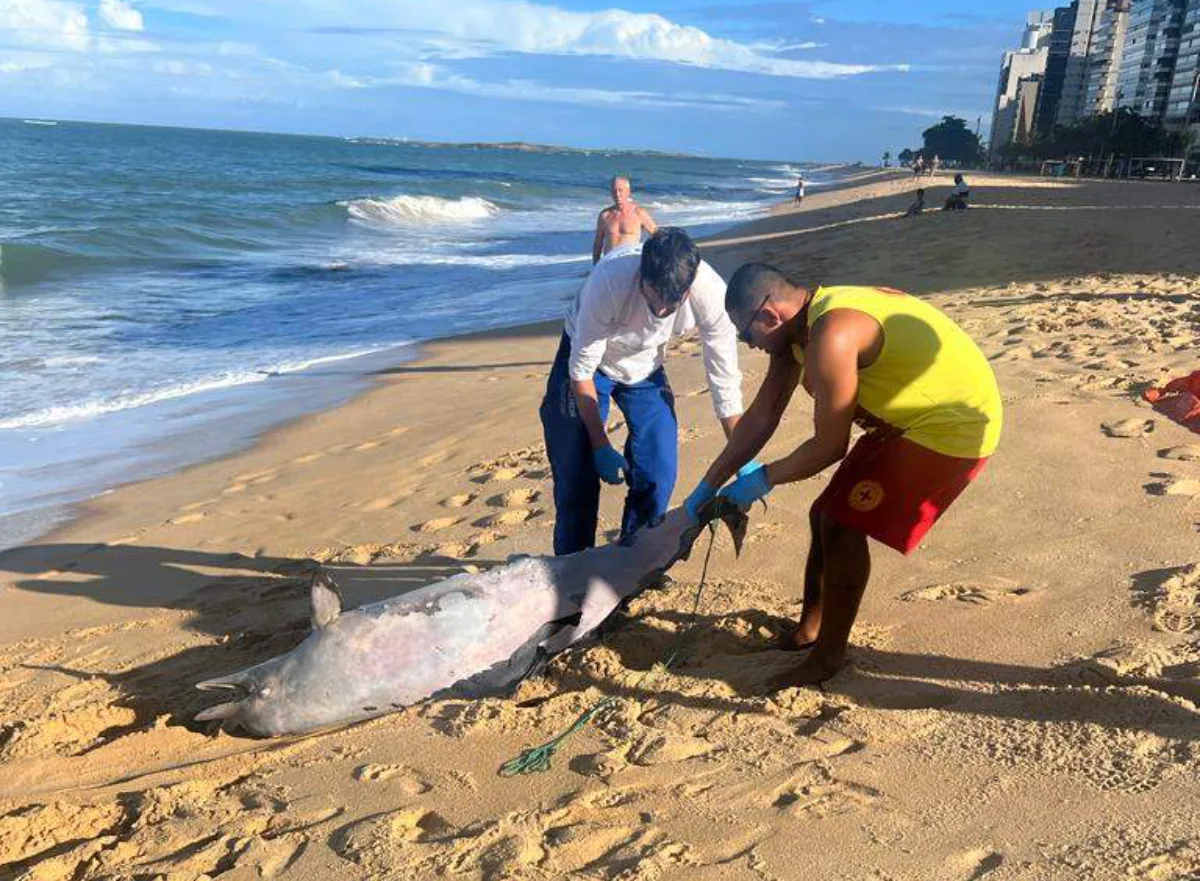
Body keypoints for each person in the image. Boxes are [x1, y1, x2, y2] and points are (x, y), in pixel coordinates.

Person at [682, 264, 1002, 686]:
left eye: (746, 335)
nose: (749, 345)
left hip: (951, 425)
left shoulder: (832, 334)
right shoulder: (797, 333)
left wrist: (760, 481)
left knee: (842, 524)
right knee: (823, 513)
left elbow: (829, 447)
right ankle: (809, 632)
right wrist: (708, 483)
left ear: (769, 316)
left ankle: (827, 657)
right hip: (901, 418)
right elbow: (761, 419)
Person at [541, 228, 743, 556]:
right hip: (590, 359)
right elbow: (580, 372)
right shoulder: (609, 281)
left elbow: (725, 382)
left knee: (659, 467)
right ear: (641, 276)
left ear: (688, 290)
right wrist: (600, 443)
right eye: (653, 300)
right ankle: (572, 563)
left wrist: (742, 457)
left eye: (671, 304)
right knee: (576, 468)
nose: (660, 312)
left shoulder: (711, 293)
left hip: (645, 365)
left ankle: (636, 555)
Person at [592, 175, 658, 263]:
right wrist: (596, 265)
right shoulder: (605, 215)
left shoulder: (638, 213)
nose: (617, 194)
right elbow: (598, 243)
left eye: (620, 190)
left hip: (629, 262)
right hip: (608, 263)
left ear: (628, 191)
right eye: (614, 191)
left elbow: (657, 236)